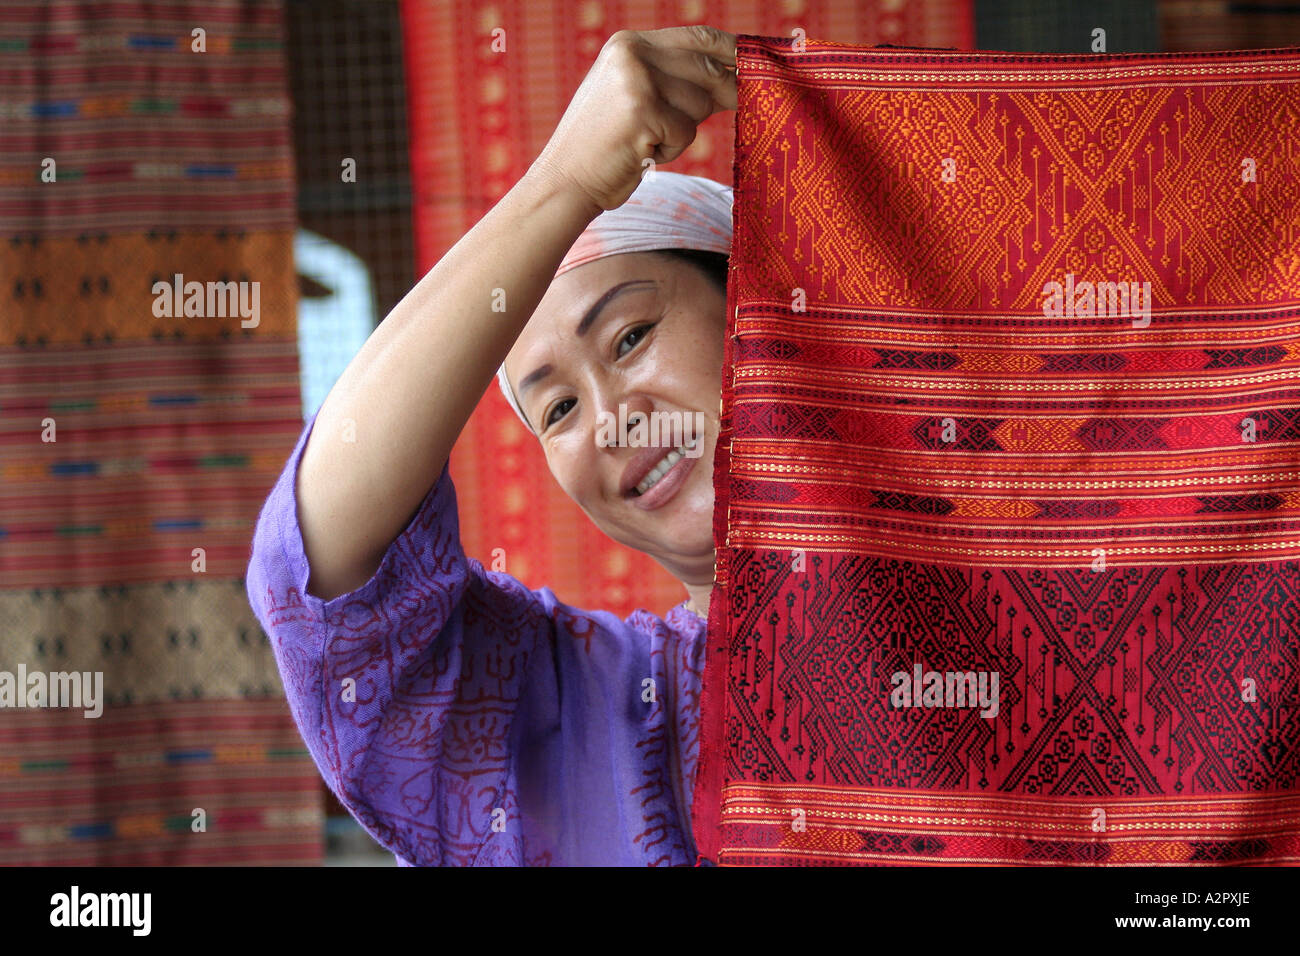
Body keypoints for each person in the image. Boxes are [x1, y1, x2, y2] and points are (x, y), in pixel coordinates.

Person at [245, 25, 738, 865]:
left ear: (755, 311)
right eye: (556, 410)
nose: (615, 418)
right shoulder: (586, 718)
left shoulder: (1015, 575)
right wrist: (569, 178)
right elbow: (322, 577)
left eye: (630, 337)